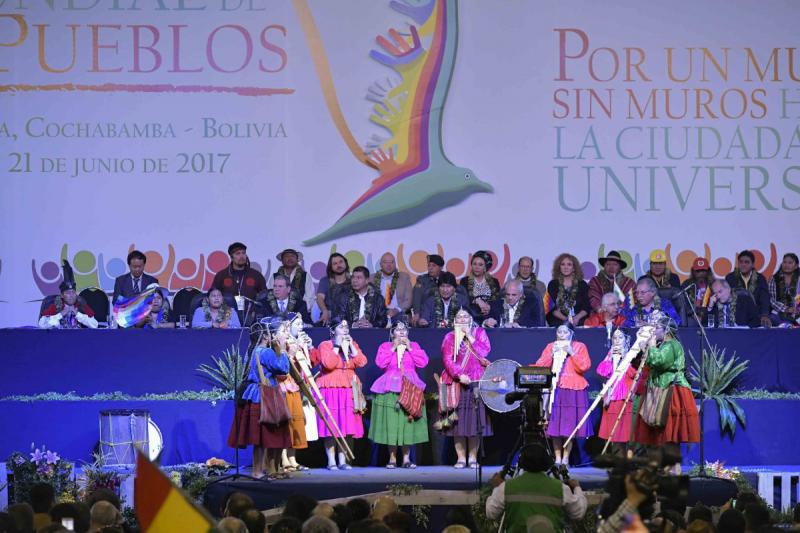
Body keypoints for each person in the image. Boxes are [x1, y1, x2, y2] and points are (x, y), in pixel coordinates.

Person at [227, 326, 291, 479]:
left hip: (255, 393)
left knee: (262, 436)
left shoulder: (254, 351)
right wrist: (282, 350)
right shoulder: (265, 352)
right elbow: (283, 368)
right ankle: (259, 471)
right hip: (264, 394)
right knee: (264, 435)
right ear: (265, 336)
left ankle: (267, 469)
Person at [634, 315, 700, 453]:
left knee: (670, 432)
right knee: (661, 434)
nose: (654, 331)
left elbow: (659, 362)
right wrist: (646, 349)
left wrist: (651, 346)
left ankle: (673, 467)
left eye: (657, 328)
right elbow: (651, 363)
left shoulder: (671, 345)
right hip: (661, 388)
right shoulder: (663, 345)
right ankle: (666, 467)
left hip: (671, 391)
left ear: (666, 331)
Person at [485, 443, 587, 532]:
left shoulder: (506, 487)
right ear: (546, 463)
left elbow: (491, 513)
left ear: (521, 463)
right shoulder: (560, 488)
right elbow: (578, 513)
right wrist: (577, 488)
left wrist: (497, 487)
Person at [369, 321, 429, 468]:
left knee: (407, 423)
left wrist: (410, 348)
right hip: (390, 386)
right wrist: (393, 348)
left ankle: (407, 458)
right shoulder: (385, 346)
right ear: (392, 333)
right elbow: (380, 363)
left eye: (404, 330)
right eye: (398, 330)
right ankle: (392, 458)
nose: (402, 332)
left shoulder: (414, 346)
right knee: (392, 423)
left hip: (409, 387)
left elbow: (423, 363)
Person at [439, 308, 492, 468]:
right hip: (457, 383)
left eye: (465, 316)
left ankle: (473, 458)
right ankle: (461, 458)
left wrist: (469, 336)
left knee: (474, 423)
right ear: (454, 320)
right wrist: (459, 374)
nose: (462, 319)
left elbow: (485, 351)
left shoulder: (480, 332)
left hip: (476, 380)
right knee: (458, 424)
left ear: (470, 319)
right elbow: (447, 359)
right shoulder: (449, 337)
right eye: (459, 316)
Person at [533, 324, 592, 465]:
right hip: (555, 389)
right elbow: (540, 365)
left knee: (568, 426)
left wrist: (572, 352)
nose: (562, 334)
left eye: (565, 331)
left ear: (570, 333)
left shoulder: (579, 346)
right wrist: (551, 354)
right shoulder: (550, 346)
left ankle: (566, 457)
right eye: (559, 331)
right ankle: (557, 457)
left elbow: (584, 367)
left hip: (572, 389)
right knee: (554, 425)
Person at [315, 318, 367, 469]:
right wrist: (337, 345)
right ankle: (331, 460)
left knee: (347, 424)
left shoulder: (352, 345)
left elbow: (362, 361)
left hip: (349, 387)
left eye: (346, 327)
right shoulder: (325, 345)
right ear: (332, 330)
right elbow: (328, 364)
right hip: (331, 388)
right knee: (332, 424)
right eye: (341, 327)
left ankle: (343, 460)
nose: (345, 329)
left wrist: (351, 345)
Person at [272, 319, 310, 474]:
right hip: (280, 385)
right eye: (284, 330)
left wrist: (302, 348)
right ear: (274, 334)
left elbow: (303, 367)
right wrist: (291, 354)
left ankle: (293, 458)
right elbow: (279, 368)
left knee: (295, 420)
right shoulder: (273, 348)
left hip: (293, 384)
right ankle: (283, 458)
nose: (287, 333)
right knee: (285, 422)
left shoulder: (291, 345)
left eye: (288, 330)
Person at [596, 329, 644, 446]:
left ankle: (628, 458)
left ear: (626, 339)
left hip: (626, 395)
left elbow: (636, 374)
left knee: (626, 430)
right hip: (612, 395)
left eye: (620, 337)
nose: (617, 341)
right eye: (614, 338)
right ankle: (615, 457)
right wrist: (609, 358)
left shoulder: (633, 354)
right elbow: (602, 372)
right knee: (613, 430)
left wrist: (625, 358)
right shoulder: (611, 354)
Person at [211, 242, 267, 324]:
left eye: (243, 253)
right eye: (238, 254)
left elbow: (264, 296)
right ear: (231, 257)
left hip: (250, 315)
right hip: (227, 314)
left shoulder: (256, 275)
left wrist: (256, 311)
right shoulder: (222, 275)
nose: (241, 256)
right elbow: (213, 295)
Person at [724, 249, 772, 327]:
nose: (743, 264)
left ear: (752, 264)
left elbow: (764, 298)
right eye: (741, 262)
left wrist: (765, 315)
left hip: (756, 315)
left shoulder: (760, 278)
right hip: (737, 315)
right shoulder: (730, 278)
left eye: (747, 262)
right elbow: (726, 298)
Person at [545, 253, 591, 327]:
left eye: (569, 264)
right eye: (562, 264)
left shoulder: (582, 284)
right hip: (558, 320)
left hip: (579, 320)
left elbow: (586, 307)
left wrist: (576, 318)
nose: (565, 267)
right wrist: (567, 319)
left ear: (574, 268)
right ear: (559, 267)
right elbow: (552, 308)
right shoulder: (553, 284)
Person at [459, 250, 501, 322]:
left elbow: (498, 300)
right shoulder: (464, 281)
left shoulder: (494, 282)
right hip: (472, 316)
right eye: (474, 264)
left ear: (486, 267)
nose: (477, 267)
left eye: (480, 265)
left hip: (490, 316)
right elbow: (463, 299)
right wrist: (477, 300)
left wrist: (489, 306)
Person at [373, 253, 412, 324]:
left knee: (402, 319)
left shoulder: (404, 277)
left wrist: (396, 310)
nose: (389, 265)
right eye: (385, 262)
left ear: (395, 264)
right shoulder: (372, 278)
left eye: (392, 262)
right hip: (378, 314)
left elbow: (408, 300)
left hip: (398, 313)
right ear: (380, 264)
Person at [316, 253, 351, 326]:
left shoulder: (353, 281)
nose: (339, 265)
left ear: (346, 263)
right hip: (329, 317)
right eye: (335, 263)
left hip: (349, 319)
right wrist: (324, 311)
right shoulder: (325, 281)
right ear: (331, 267)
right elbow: (320, 298)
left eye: (341, 262)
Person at [680, 257, 715, 325]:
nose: (701, 273)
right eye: (698, 271)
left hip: (710, 314)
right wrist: (694, 315)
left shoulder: (713, 284)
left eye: (703, 270)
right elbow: (683, 304)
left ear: (708, 271)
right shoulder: (687, 284)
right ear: (693, 271)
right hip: (692, 316)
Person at [410, 254, 444, 323]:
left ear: (441, 267)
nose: (430, 268)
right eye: (429, 265)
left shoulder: (446, 278)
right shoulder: (422, 280)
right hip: (425, 313)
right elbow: (417, 297)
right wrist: (417, 313)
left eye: (434, 265)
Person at [768, 252, 799, 326]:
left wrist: (797, 309)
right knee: (776, 320)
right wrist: (786, 309)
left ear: (796, 266)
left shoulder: (799, 280)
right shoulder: (774, 279)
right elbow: (771, 299)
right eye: (784, 262)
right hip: (778, 314)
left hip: (797, 314)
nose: (786, 265)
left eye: (790, 263)